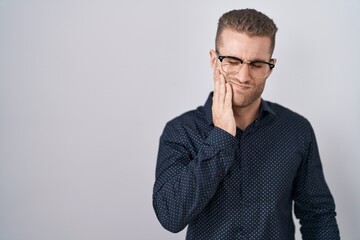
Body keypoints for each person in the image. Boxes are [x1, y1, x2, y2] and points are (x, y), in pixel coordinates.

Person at [152, 8, 340, 239]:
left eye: (257, 64)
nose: (243, 76)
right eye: (232, 61)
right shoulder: (181, 131)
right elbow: (171, 216)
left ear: (270, 68)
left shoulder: (297, 130)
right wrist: (221, 135)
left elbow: (317, 216)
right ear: (214, 60)